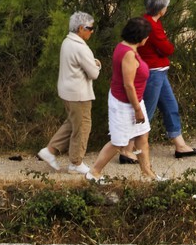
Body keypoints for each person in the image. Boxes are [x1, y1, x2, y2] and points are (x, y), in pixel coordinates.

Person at [88, 18, 157, 182]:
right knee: (118, 142)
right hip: (125, 104)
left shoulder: (125, 46)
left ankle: (147, 173)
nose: (147, 38)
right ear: (140, 37)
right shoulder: (128, 54)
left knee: (142, 136)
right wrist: (137, 109)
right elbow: (128, 85)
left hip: (134, 101)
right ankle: (94, 173)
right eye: (146, 35)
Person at [37, 10, 101, 175]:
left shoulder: (67, 42)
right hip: (79, 94)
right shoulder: (81, 47)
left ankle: (50, 150)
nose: (91, 31)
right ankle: (76, 163)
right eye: (89, 28)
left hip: (67, 90)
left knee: (72, 123)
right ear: (81, 28)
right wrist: (97, 64)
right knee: (83, 126)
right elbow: (94, 73)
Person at [141, 0, 196, 158]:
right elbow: (167, 48)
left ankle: (180, 145)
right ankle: (128, 148)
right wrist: (164, 48)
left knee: (170, 106)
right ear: (162, 9)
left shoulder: (149, 21)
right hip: (153, 72)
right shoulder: (151, 25)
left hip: (159, 71)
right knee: (147, 111)